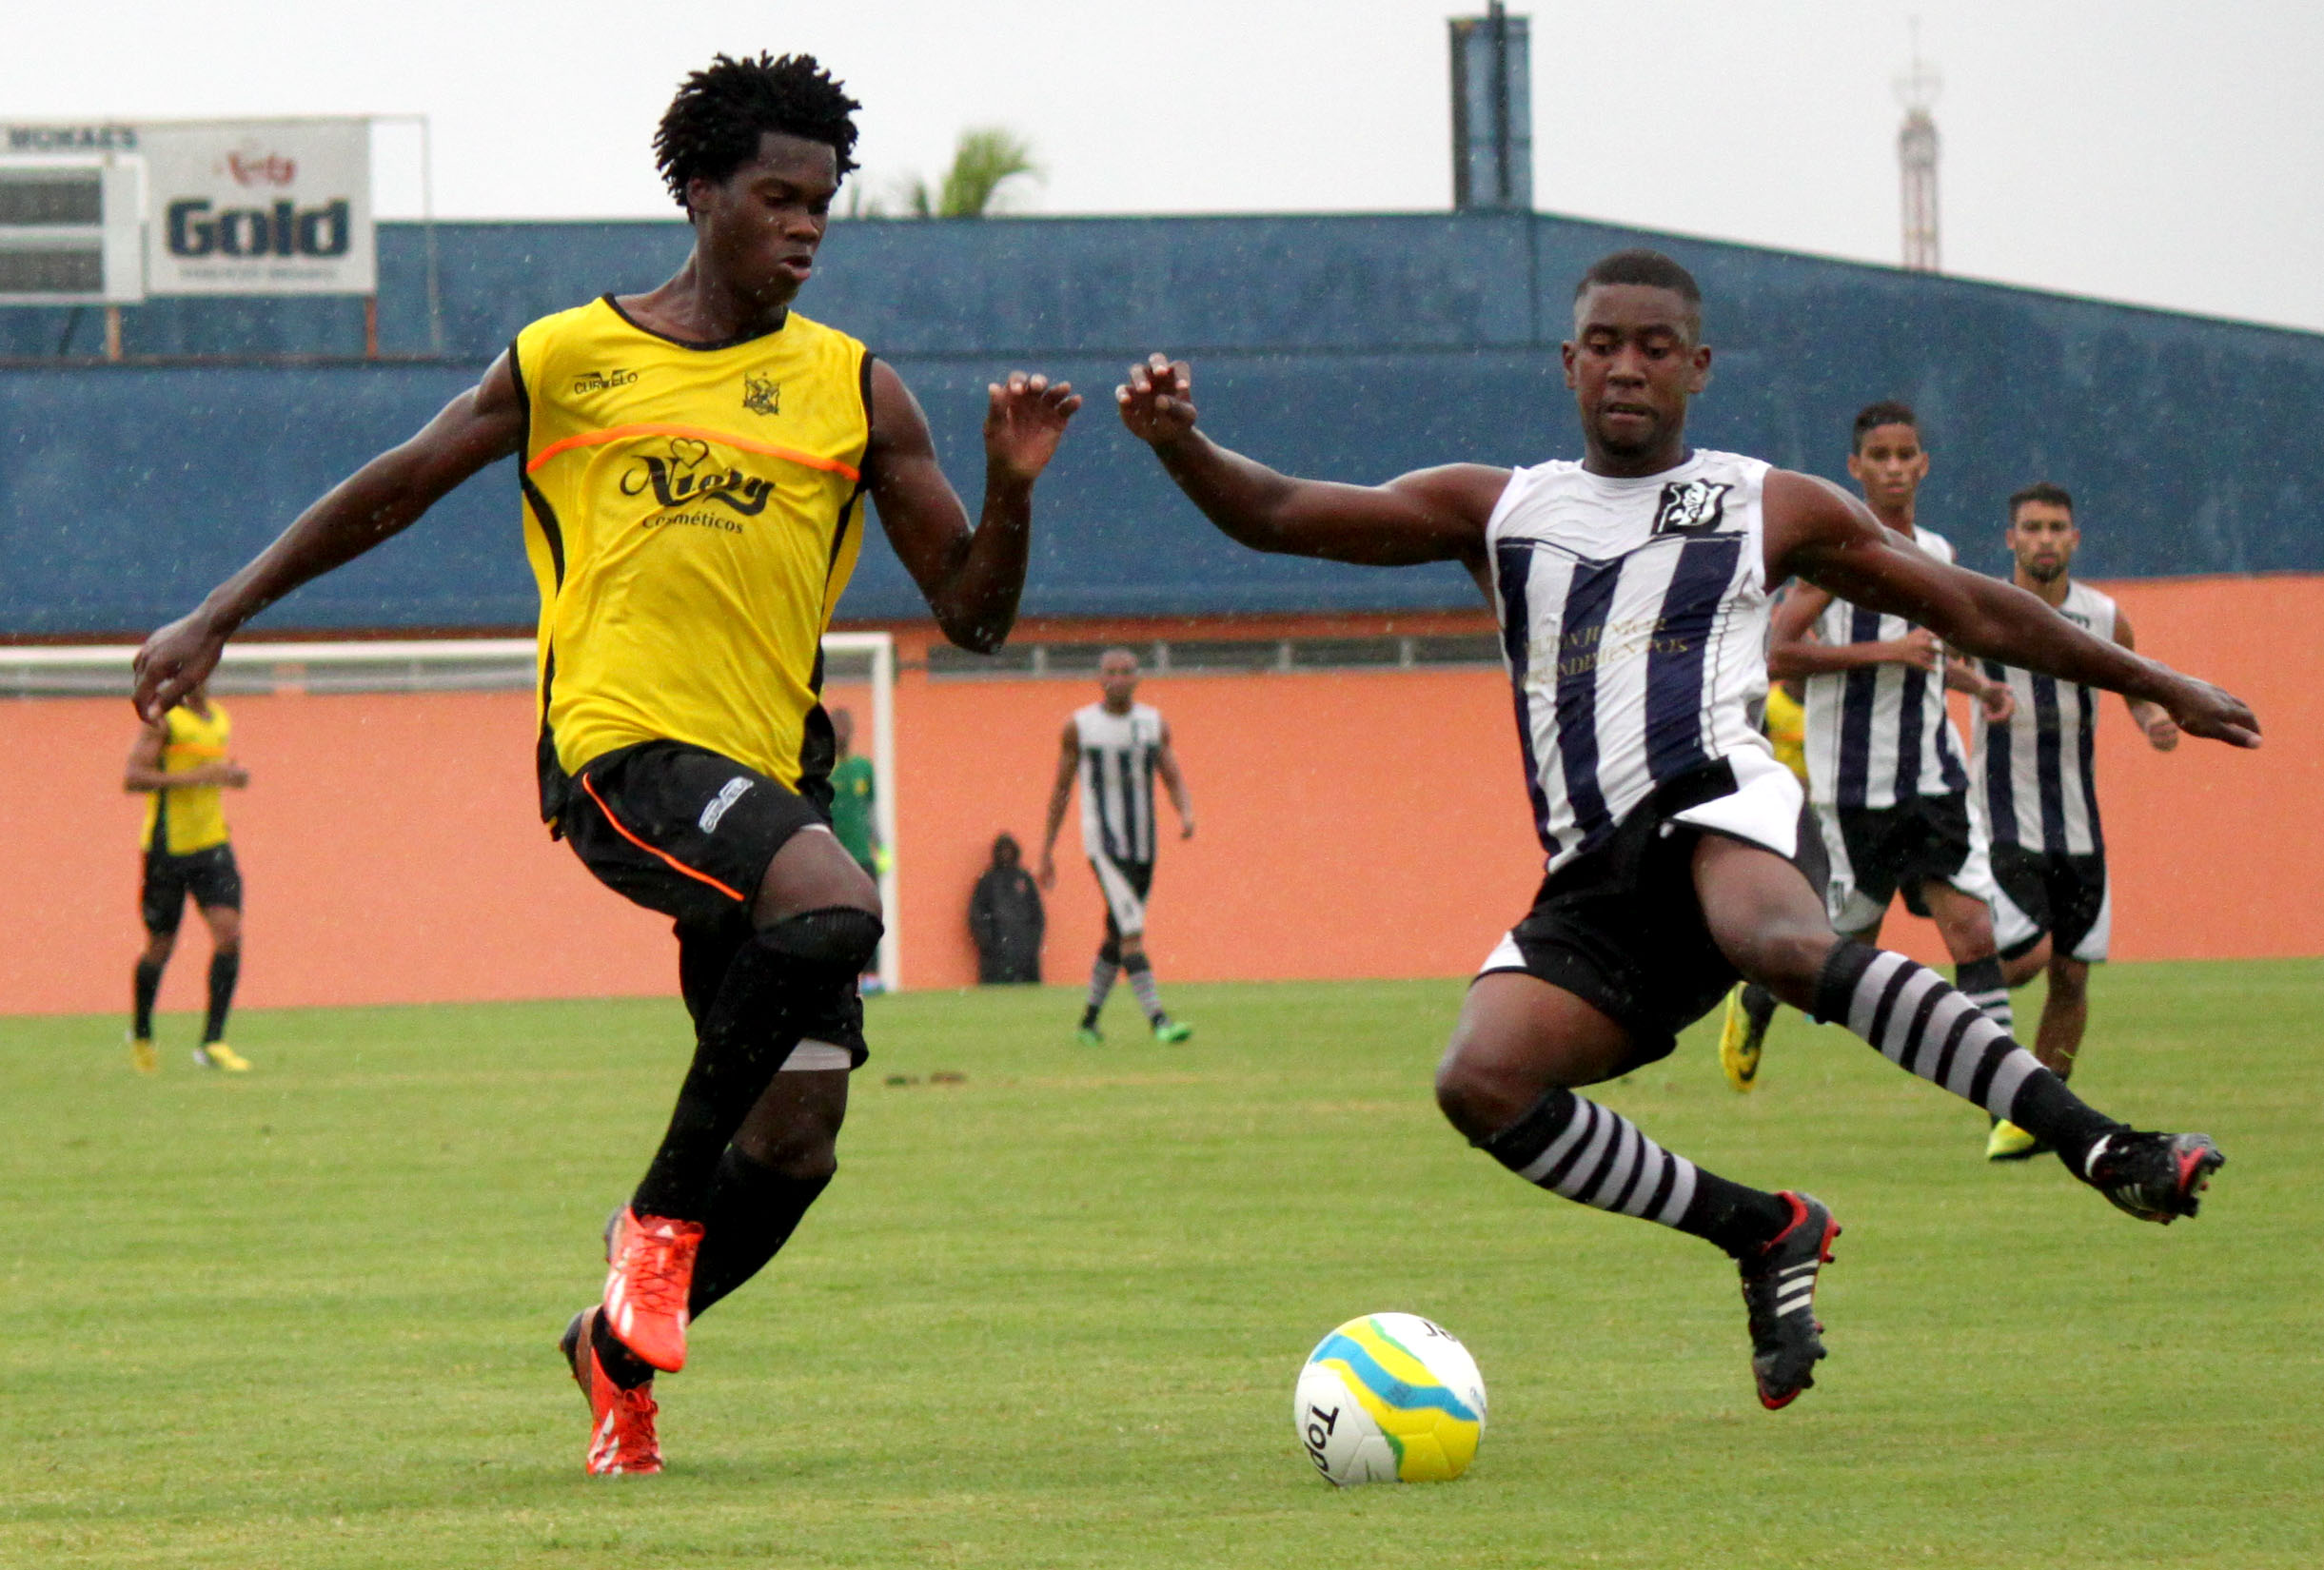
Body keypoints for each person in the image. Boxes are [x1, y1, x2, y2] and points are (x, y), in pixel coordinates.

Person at [130, 52, 1082, 1476]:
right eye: (776, 196)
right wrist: (220, 612)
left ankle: (616, 1348)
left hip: (768, 786)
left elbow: (977, 614)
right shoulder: (569, 357)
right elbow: (396, 482)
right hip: (622, 756)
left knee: (803, 1133)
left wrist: (1007, 492)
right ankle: (654, 1221)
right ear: (699, 192)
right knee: (834, 903)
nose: (806, 225)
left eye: (823, 203)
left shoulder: (856, 393)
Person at [1114, 248, 2252, 1410]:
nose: (1627, 366)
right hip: (1598, 872)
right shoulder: (1499, 507)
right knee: (1481, 1080)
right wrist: (1177, 446)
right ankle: (1763, 1232)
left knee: (1780, 943)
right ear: (1568, 363)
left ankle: (2103, 1144)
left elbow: (1971, 605)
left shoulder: (1771, 502)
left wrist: (2146, 676)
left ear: (1697, 367)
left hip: (1728, 803)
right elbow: (1281, 514)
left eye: (1654, 347)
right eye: (1603, 343)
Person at [1762, 402, 2032, 1100]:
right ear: (1855, 468)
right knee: (1839, 950)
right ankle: (1759, 997)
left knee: (1971, 932)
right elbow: (1780, 654)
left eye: (1905, 455)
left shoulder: (1937, 554)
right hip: (1855, 782)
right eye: (1878, 457)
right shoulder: (1834, 553)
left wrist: (1975, 683)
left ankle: (2011, 1101)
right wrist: (1888, 650)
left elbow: (1931, 652)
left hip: (1934, 771)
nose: (1893, 468)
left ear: (1923, 464)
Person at [1976, 483, 2181, 1160]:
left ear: (2075, 539)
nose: (2043, 539)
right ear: (2010, 538)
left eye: (2055, 527)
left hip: (2078, 823)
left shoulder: (2103, 616)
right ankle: (1955, 1009)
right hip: (2003, 815)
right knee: (2026, 957)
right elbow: (1942, 658)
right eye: (2031, 527)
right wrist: (1971, 685)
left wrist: (2152, 716)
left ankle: (2037, 1115)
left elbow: (2133, 681)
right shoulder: (1982, 605)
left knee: (2072, 974)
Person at [1037, 648, 1196, 1045]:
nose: (1119, 679)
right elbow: (1060, 790)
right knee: (1132, 931)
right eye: (1111, 671)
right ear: (1099, 677)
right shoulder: (1081, 727)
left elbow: (1171, 773)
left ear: (1138, 678)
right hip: (1103, 845)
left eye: (1126, 672)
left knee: (1115, 934)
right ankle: (1159, 1020)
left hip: (1145, 846)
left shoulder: (1152, 724)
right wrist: (1047, 850)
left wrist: (1186, 811)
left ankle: (1088, 1023)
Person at [124, 682, 252, 1073]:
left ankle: (213, 1042)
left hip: (212, 844)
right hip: (167, 848)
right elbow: (133, 777)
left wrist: (230, 776)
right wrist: (199, 776)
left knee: (228, 934)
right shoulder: (164, 721)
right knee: (160, 947)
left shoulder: (219, 718)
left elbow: (210, 773)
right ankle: (143, 1033)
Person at [1713, 661, 1822, 1090]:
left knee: (1842, 941)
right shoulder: (1772, 708)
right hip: (1800, 824)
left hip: (1843, 814)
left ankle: (1763, 996)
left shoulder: (1837, 704)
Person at [826, 707, 886, 991]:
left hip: (863, 856)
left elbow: (871, 811)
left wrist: (882, 848)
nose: (842, 731)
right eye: (836, 726)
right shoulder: (822, 768)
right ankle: (839, 975)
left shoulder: (864, 768)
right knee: (836, 917)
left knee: (869, 915)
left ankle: (872, 975)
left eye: (845, 725)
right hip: (833, 857)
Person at [969, 832, 1045, 983]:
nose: (1006, 854)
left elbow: (1037, 916)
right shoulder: (987, 881)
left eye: (1009, 850)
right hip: (995, 957)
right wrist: (989, 944)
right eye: (1002, 850)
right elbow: (977, 916)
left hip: (1025, 954)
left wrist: (1031, 944)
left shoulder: (1024, 879)